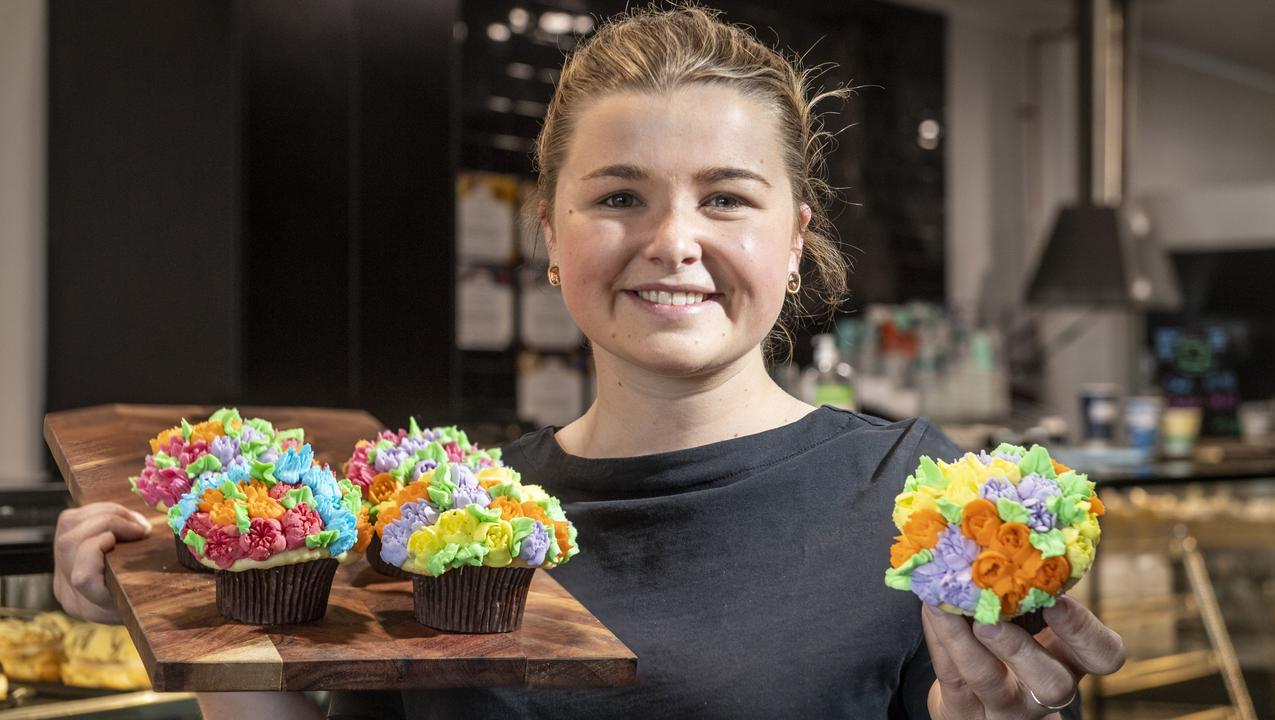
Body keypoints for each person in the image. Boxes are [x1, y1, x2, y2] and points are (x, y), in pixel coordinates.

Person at [53, 4, 1124, 718]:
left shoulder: (916, 506)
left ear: (793, 241)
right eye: (618, 197)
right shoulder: (437, 517)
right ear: (552, 243)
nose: (671, 241)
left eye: (725, 197)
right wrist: (195, 618)